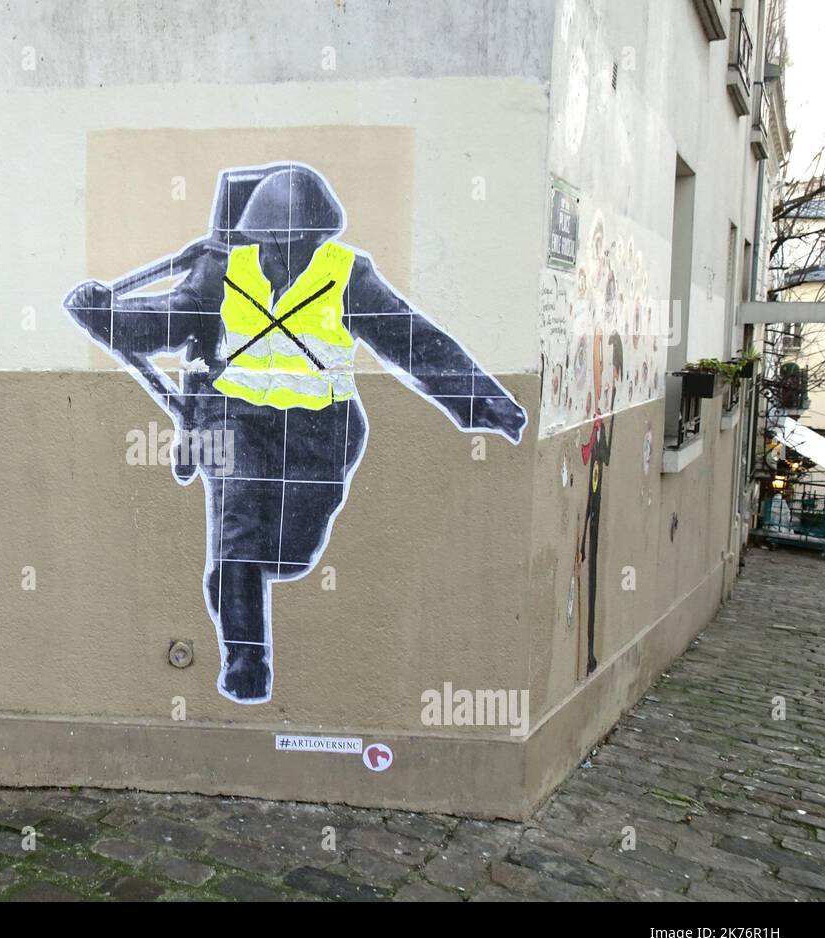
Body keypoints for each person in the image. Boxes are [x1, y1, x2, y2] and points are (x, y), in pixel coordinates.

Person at [64, 163, 527, 703]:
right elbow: (173, 317)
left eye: (293, 242)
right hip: (235, 421)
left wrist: (481, 397)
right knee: (237, 541)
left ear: (315, 237)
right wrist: (112, 316)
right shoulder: (227, 270)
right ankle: (245, 659)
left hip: (319, 432)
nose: (280, 253)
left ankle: (262, 579)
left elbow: (412, 340)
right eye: (271, 242)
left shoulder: (347, 274)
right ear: (256, 235)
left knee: (288, 555)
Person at [575, 329, 623, 676]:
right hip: (592, 497)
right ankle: (588, 651)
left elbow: (596, 453)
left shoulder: (607, 418)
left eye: (604, 364)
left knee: (591, 570)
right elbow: (588, 451)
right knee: (587, 559)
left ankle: (590, 651)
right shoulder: (598, 418)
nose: (601, 372)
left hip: (597, 495)